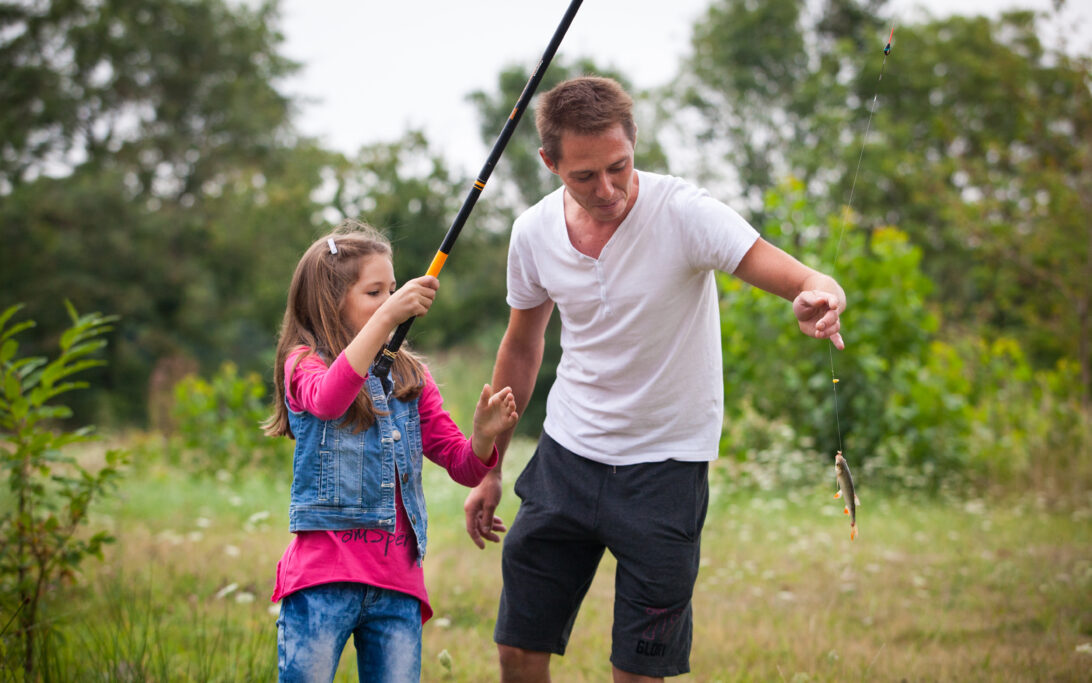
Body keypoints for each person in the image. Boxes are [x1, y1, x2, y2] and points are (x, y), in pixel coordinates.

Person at [461, 77, 846, 682]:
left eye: (619, 166)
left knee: (639, 671)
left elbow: (810, 279)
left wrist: (819, 300)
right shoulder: (532, 233)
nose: (607, 189)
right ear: (549, 162)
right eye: (584, 176)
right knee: (517, 646)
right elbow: (522, 345)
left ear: (633, 142)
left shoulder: (685, 212)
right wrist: (487, 467)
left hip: (665, 470)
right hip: (567, 456)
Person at [264, 221, 517, 682]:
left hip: (397, 585)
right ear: (330, 301)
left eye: (393, 289)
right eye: (374, 292)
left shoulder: (410, 375)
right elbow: (328, 399)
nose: (391, 302)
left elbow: (461, 464)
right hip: (323, 581)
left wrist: (483, 437)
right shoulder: (303, 363)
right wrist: (387, 319)